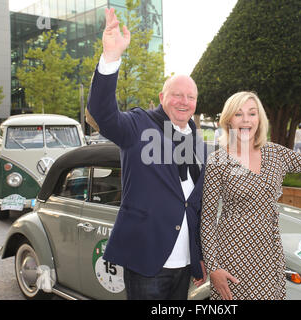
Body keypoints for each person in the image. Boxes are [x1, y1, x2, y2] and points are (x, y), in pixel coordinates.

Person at [86, 8, 208, 300]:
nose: (184, 101)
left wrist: (200, 254)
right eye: (177, 94)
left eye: (190, 97)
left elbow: (196, 205)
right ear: (162, 98)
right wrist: (111, 57)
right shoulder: (138, 124)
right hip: (147, 260)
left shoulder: (200, 144)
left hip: (185, 264)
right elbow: (103, 114)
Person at [200, 91, 301, 300]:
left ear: (260, 119)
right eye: (238, 114)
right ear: (228, 121)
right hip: (231, 259)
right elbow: (207, 219)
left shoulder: (275, 153)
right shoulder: (217, 161)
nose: (246, 120)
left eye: (252, 114)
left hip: (269, 255)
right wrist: (214, 268)